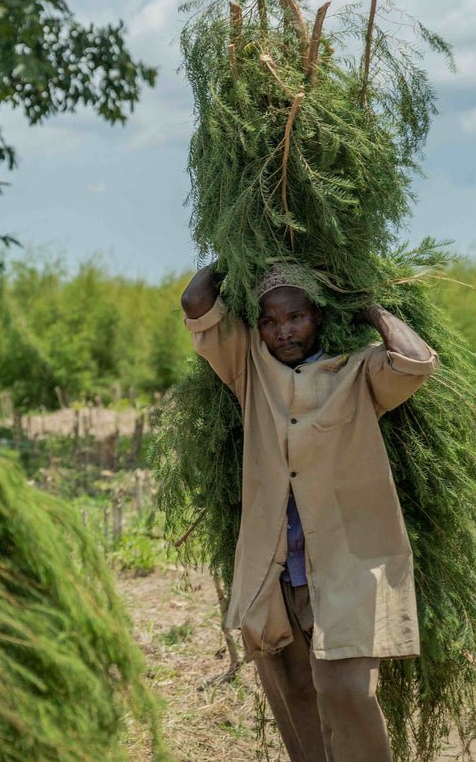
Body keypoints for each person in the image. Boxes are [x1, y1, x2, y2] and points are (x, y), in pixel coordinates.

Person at [180, 261, 437, 762]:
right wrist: (238, 255)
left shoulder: (359, 371)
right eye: (270, 321)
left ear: (317, 316)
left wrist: (366, 307)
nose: (283, 331)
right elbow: (196, 302)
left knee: (348, 693)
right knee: (296, 700)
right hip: (274, 571)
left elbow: (413, 360)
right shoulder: (249, 369)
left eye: (296, 316)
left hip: (347, 567)